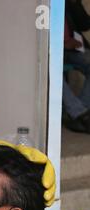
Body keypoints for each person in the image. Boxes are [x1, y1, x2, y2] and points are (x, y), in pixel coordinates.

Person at [62, 0, 90, 133]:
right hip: (51, 51)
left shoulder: (70, 3)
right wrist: (62, 44)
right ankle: (80, 114)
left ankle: (79, 113)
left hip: (73, 49)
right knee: (52, 72)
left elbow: (85, 25)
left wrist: (74, 4)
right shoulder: (42, 4)